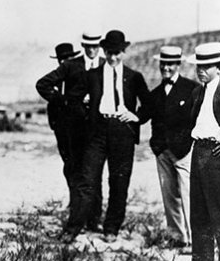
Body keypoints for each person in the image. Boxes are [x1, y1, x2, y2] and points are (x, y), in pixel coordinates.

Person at [61, 30, 151, 243]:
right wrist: (87, 115)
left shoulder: (134, 77)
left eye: (117, 53)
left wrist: (135, 116)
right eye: (109, 52)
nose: (112, 57)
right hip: (97, 132)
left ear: (124, 51)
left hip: (123, 131)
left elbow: (149, 104)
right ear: (104, 51)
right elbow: (72, 99)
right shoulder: (92, 75)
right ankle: (73, 228)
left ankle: (111, 228)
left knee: (119, 182)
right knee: (87, 180)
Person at [36, 33, 105, 232]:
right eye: (88, 45)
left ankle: (94, 219)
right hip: (72, 128)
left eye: (95, 45)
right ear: (83, 45)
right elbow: (43, 84)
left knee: (95, 174)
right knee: (75, 170)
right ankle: (78, 216)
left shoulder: (105, 65)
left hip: (97, 128)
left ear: (99, 46)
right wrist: (65, 100)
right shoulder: (71, 66)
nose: (92, 49)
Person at [183, 42, 220, 261]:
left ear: (219, 67)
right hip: (198, 151)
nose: (201, 70)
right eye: (199, 65)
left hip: (218, 156)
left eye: (207, 66)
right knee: (199, 214)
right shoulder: (196, 93)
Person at [146, 46, 198, 248]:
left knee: (188, 195)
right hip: (162, 152)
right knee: (169, 195)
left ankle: (195, 240)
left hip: (184, 151)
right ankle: (177, 237)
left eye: (171, 64)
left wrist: (190, 143)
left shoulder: (191, 88)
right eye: (163, 63)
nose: (166, 67)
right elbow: (143, 116)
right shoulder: (155, 93)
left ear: (178, 65)